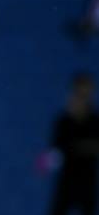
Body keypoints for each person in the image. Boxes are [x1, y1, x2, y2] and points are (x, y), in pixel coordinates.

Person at [48, 72, 99, 215]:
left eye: (86, 95)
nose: (82, 99)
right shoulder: (64, 122)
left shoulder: (95, 122)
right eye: (79, 93)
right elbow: (56, 151)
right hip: (66, 184)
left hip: (88, 185)